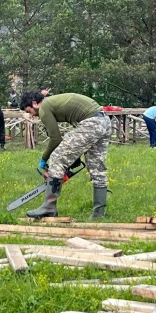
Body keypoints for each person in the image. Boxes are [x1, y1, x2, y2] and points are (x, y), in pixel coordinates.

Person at [20, 91, 112, 219]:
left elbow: (56, 139)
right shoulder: (52, 102)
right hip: (104, 121)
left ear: (34, 103)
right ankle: (98, 214)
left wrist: (44, 159)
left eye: (29, 111)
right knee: (96, 168)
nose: (32, 115)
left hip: (90, 123)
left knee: (57, 158)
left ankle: (49, 207)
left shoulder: (44, 107)